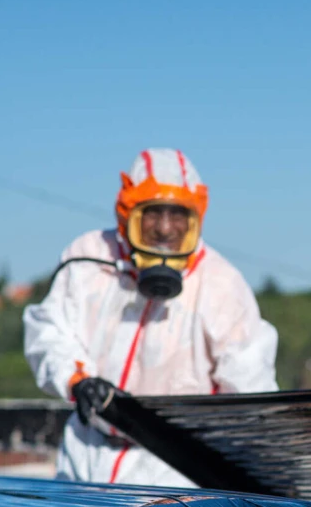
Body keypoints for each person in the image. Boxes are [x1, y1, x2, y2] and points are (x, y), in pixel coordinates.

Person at [24, 148, 278, 487]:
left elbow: (252, 392)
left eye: (178, 216)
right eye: (153, 214)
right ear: (126, 214)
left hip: (173, 471)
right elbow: (49, 331)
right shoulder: (88, 258)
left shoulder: (222, 284)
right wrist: (76, 379)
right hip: (83, 457)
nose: (164, 229)